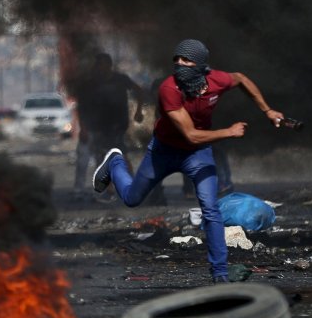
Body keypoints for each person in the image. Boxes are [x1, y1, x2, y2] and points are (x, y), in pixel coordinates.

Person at [91, 39, 285, 284]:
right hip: (164, 151)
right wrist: (229, 132)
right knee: (131, 198)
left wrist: (267, 110)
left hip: (197, 154)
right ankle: (115, 161)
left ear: (201, 65)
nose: (180, 65)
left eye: (187, 60)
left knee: (211, 210)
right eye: (177, 60)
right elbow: (190, 134)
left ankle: (220, 274)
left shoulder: (217, 80)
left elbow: (241, 79)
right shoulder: (169, 89)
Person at [72, 53, 145, 196]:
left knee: (121, 154)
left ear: (109, 66)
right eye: (98, 66)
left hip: (118, 124)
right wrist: (83, 128)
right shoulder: (89, 84)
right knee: (101, 155)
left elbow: (139, 91)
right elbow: (82, 108)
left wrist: (138, 111)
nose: (100, 69)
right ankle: (109, 186)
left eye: (103, 65)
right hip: (97, 125)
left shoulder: (120, 79)